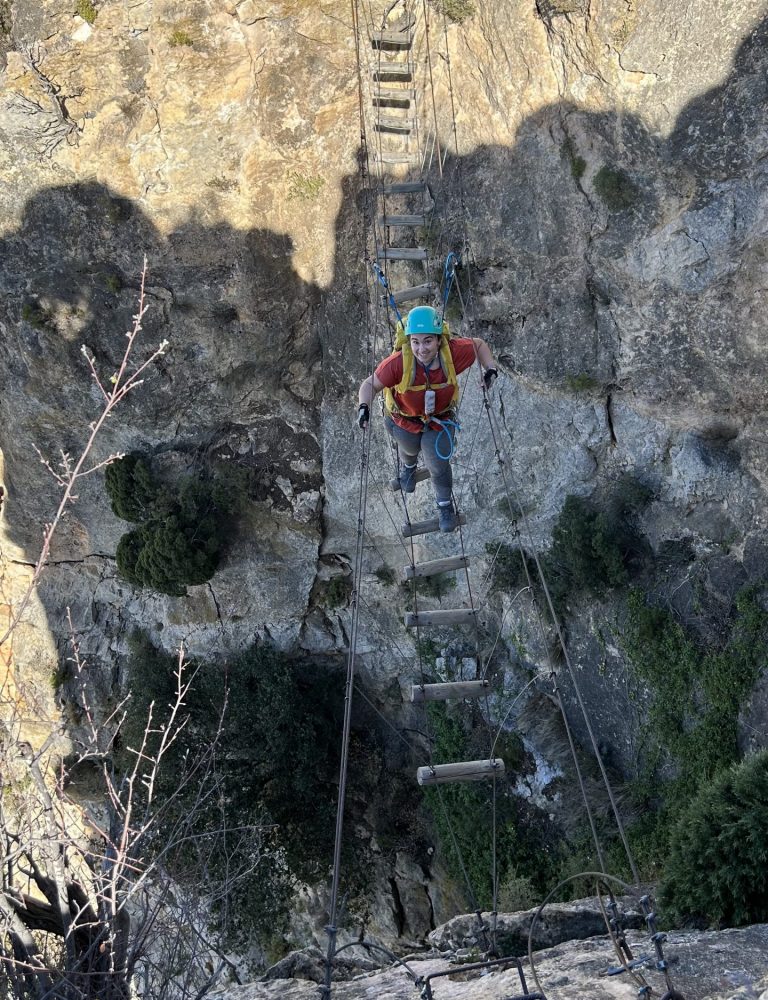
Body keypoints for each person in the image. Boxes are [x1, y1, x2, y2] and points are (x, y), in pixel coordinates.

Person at [357, 305, 498, 532]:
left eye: (428, 341)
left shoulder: (452, 354)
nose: (421, 349)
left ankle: (444, 507)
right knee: (410, 448)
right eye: (415, 342)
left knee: (438, 465)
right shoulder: (399, 363)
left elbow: (479, 345)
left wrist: (490, 369)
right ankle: (409, 467)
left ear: (439, 340)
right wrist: (364, 407)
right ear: (409, 341)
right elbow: (369, 384)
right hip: (404, 420)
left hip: (439, 421)